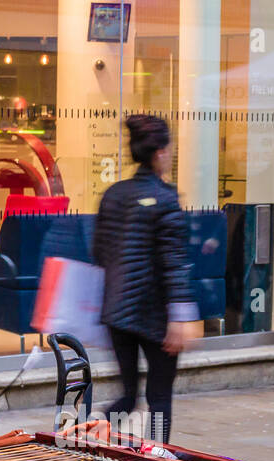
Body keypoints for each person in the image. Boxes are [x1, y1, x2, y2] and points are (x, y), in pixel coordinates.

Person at [94, 114, 201, 444]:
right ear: (160, 153)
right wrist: (180, 315)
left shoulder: (113, 194)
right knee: (158, 398)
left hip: (117, 312)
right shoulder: (166, 198)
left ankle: (86, 430)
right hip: (155, 314)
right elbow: (174, 261)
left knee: (128, 394)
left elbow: (99, 252)